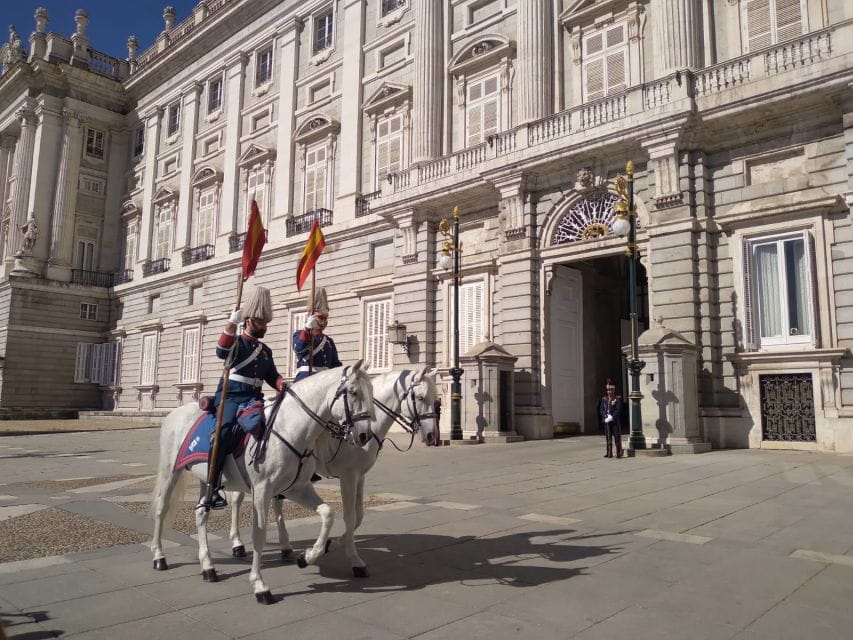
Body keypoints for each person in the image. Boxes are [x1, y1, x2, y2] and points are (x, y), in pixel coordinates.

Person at [203, 286, 284, 510]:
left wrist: (282, 384)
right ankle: (212, 487)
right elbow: (220, 350)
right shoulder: (237, 343)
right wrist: (231, 324)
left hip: (254, 398)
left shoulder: (265, 350)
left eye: (266, 322)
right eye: (260, 322)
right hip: (230, 397)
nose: (264, 326)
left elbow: (272, 375)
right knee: (222, 433)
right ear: (248, 321)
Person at [292, 287, 341, 382]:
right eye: (321, 318)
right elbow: (299, 349)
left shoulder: (328, 341)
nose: (324, 322)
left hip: (326, 381)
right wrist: (307, 329)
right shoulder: (299, 334)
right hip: (306, 379)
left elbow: (336, 365)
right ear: (312, 316)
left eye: (326, 318)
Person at [599, 378, 623, 459]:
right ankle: (609, 452)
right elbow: (601, 409)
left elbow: (618, 409)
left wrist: (612, 417)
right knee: (608, 437)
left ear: (613, 390)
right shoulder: (604, 399)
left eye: (611, 390)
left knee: (617, 437)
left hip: (614, 420)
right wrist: (605, 416)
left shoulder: (617, 398)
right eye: (608, 390)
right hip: (606, 420)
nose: (609, 392)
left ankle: (619, 452)